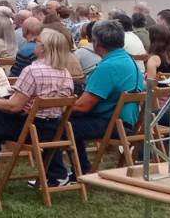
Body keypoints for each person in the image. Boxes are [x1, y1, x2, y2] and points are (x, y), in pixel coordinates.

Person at [0, 27, 78, 185]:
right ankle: (56, 173)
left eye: (37, 41)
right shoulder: (64, 73)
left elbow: (13, 107)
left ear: (43, 48)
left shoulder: (32, 71)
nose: (34, 44)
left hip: (30, 128)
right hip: (53, 127)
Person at [49, 19, 144, 184]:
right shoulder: (128, 60)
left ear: (96, 43)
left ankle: (57, 175)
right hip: (126, 121)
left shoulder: (108, 66)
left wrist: (56, 106)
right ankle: (82, 168)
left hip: (111, 123)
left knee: (53, 124)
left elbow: (84, 105)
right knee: (69, 120)